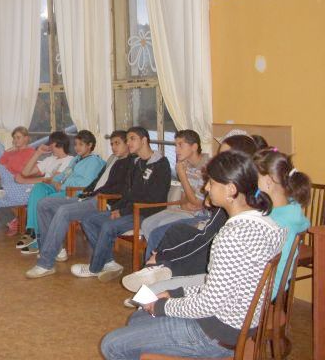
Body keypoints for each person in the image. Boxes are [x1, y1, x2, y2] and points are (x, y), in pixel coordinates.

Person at [100, 151, 286, 359]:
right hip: (237, 324)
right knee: (139, 318)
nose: (206, 188)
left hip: (214, 334)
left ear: (231, 189)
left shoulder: (232, 235)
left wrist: (163, 306)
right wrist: (175, 293)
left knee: (112, 345)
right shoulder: (268, 224)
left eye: (212, 183)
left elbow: (208, 304)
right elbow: (221, 289)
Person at [121, 133, 258, 293]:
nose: (207, 187)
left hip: (201, 219)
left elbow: (201, 217)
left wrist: (161, 256)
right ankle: (155, 272)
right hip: (191, 213)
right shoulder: (227, 194)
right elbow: (188, 200)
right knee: (165, 228)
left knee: (165, 232)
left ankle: (160, 272)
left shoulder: (236, 208)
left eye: (225, 156)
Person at [25, 130, 133, 278]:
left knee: (64, 211)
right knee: (44, 204)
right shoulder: (113, 159)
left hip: (103, 201)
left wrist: (101, 198)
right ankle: (52, 249)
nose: (114, 147)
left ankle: (45, 264)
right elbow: (97, 181)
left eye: (117, 143)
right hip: (90, 197)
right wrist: (87, 192)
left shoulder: (130, 163)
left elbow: (122, 189)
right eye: (112, 144)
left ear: (127, 144)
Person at [70, 126, 171, 281]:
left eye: (132, 139)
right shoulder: (136, 163)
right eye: (128, 139)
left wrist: (122, 212)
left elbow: (155, 198)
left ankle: (94, 268)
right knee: (88, 220)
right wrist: (116, 208)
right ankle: (109, 262)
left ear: (144, 140)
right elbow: (129, 193)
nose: (128, 143)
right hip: (129, 210)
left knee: (108, 226)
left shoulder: (161, 164)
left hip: (146, 213)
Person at [0, 131, 73, 246]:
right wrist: (38, 153)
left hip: (40, 191)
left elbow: (53, 181)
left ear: (57, 144)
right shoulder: (50, 159)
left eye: (51, 143)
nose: (49, 146)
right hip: (29, 187)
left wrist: (25, 181)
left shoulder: (70, 160)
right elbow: (25, 172)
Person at [18, 129, 105, 255]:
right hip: (62, 188)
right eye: (76, 144)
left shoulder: (94, 161)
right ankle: (33, 233)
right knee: (39, 188)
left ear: (90, 145)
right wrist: (55, 181)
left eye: (81, 144)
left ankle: (47, 244)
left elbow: (86, 184)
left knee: (45, 204)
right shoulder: (76, 159)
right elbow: (64, 174)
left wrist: (63, 185)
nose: (77, 147)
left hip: (75, 193)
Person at [139, 130, 210, 257]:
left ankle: (160, 260)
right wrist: (189, 201)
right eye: (175, 145)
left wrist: (182, 175)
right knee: (146, 223)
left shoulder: (206, 168)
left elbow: (197, 204)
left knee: (160, 227)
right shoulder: (185, 164)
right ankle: (159, 257)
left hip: (198, 215)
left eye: (180, 145)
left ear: (194, 147)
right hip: (183, 209)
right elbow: (184, 200)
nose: (176, 150)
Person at [254, 147, 311, 297]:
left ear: (268, 182)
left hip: (264, 296)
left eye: (254, 178)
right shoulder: (290, 206)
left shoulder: (279, 223)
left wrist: (264, 299)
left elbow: (281, 270)